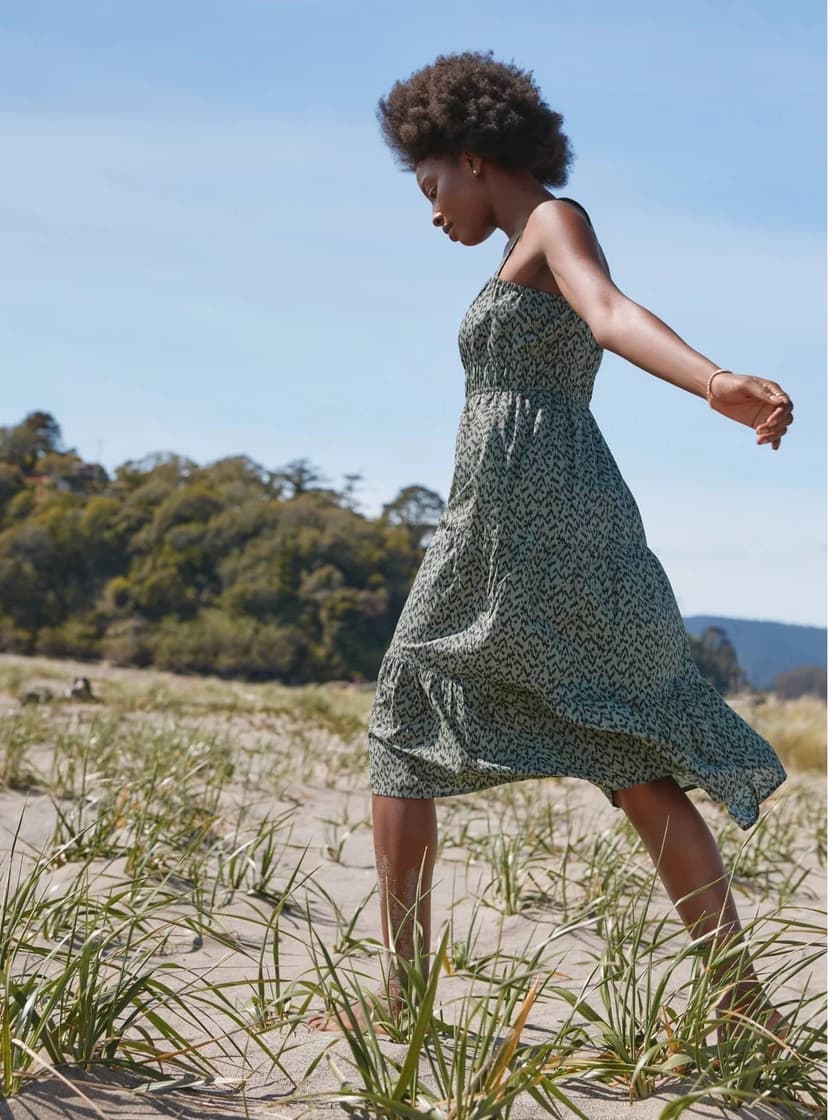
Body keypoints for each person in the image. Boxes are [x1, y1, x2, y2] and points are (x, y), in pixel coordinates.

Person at [309, 50, 794, 1047]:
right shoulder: (514, 246)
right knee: (623, 751)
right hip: (518, 513)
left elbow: (611, 315)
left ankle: (403, 999)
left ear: (475, 157)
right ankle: (742, 1003)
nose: (432, 208)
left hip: (535, 517)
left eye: (433, 183)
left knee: (408, 714)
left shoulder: (551, 223)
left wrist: (714, 383)